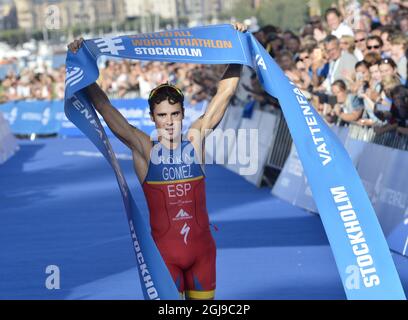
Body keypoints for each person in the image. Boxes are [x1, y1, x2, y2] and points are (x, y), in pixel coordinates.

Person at [67, 22, 247, 300]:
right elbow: (105, 107)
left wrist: (237, 45)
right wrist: (82, 63)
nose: (170, 121)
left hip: (203, 254)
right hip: (165, 257)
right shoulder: (144, 149)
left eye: (175, 114)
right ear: (152, 118)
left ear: (183, 114)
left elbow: (224, 95)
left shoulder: (196, 140)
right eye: (162, 116)